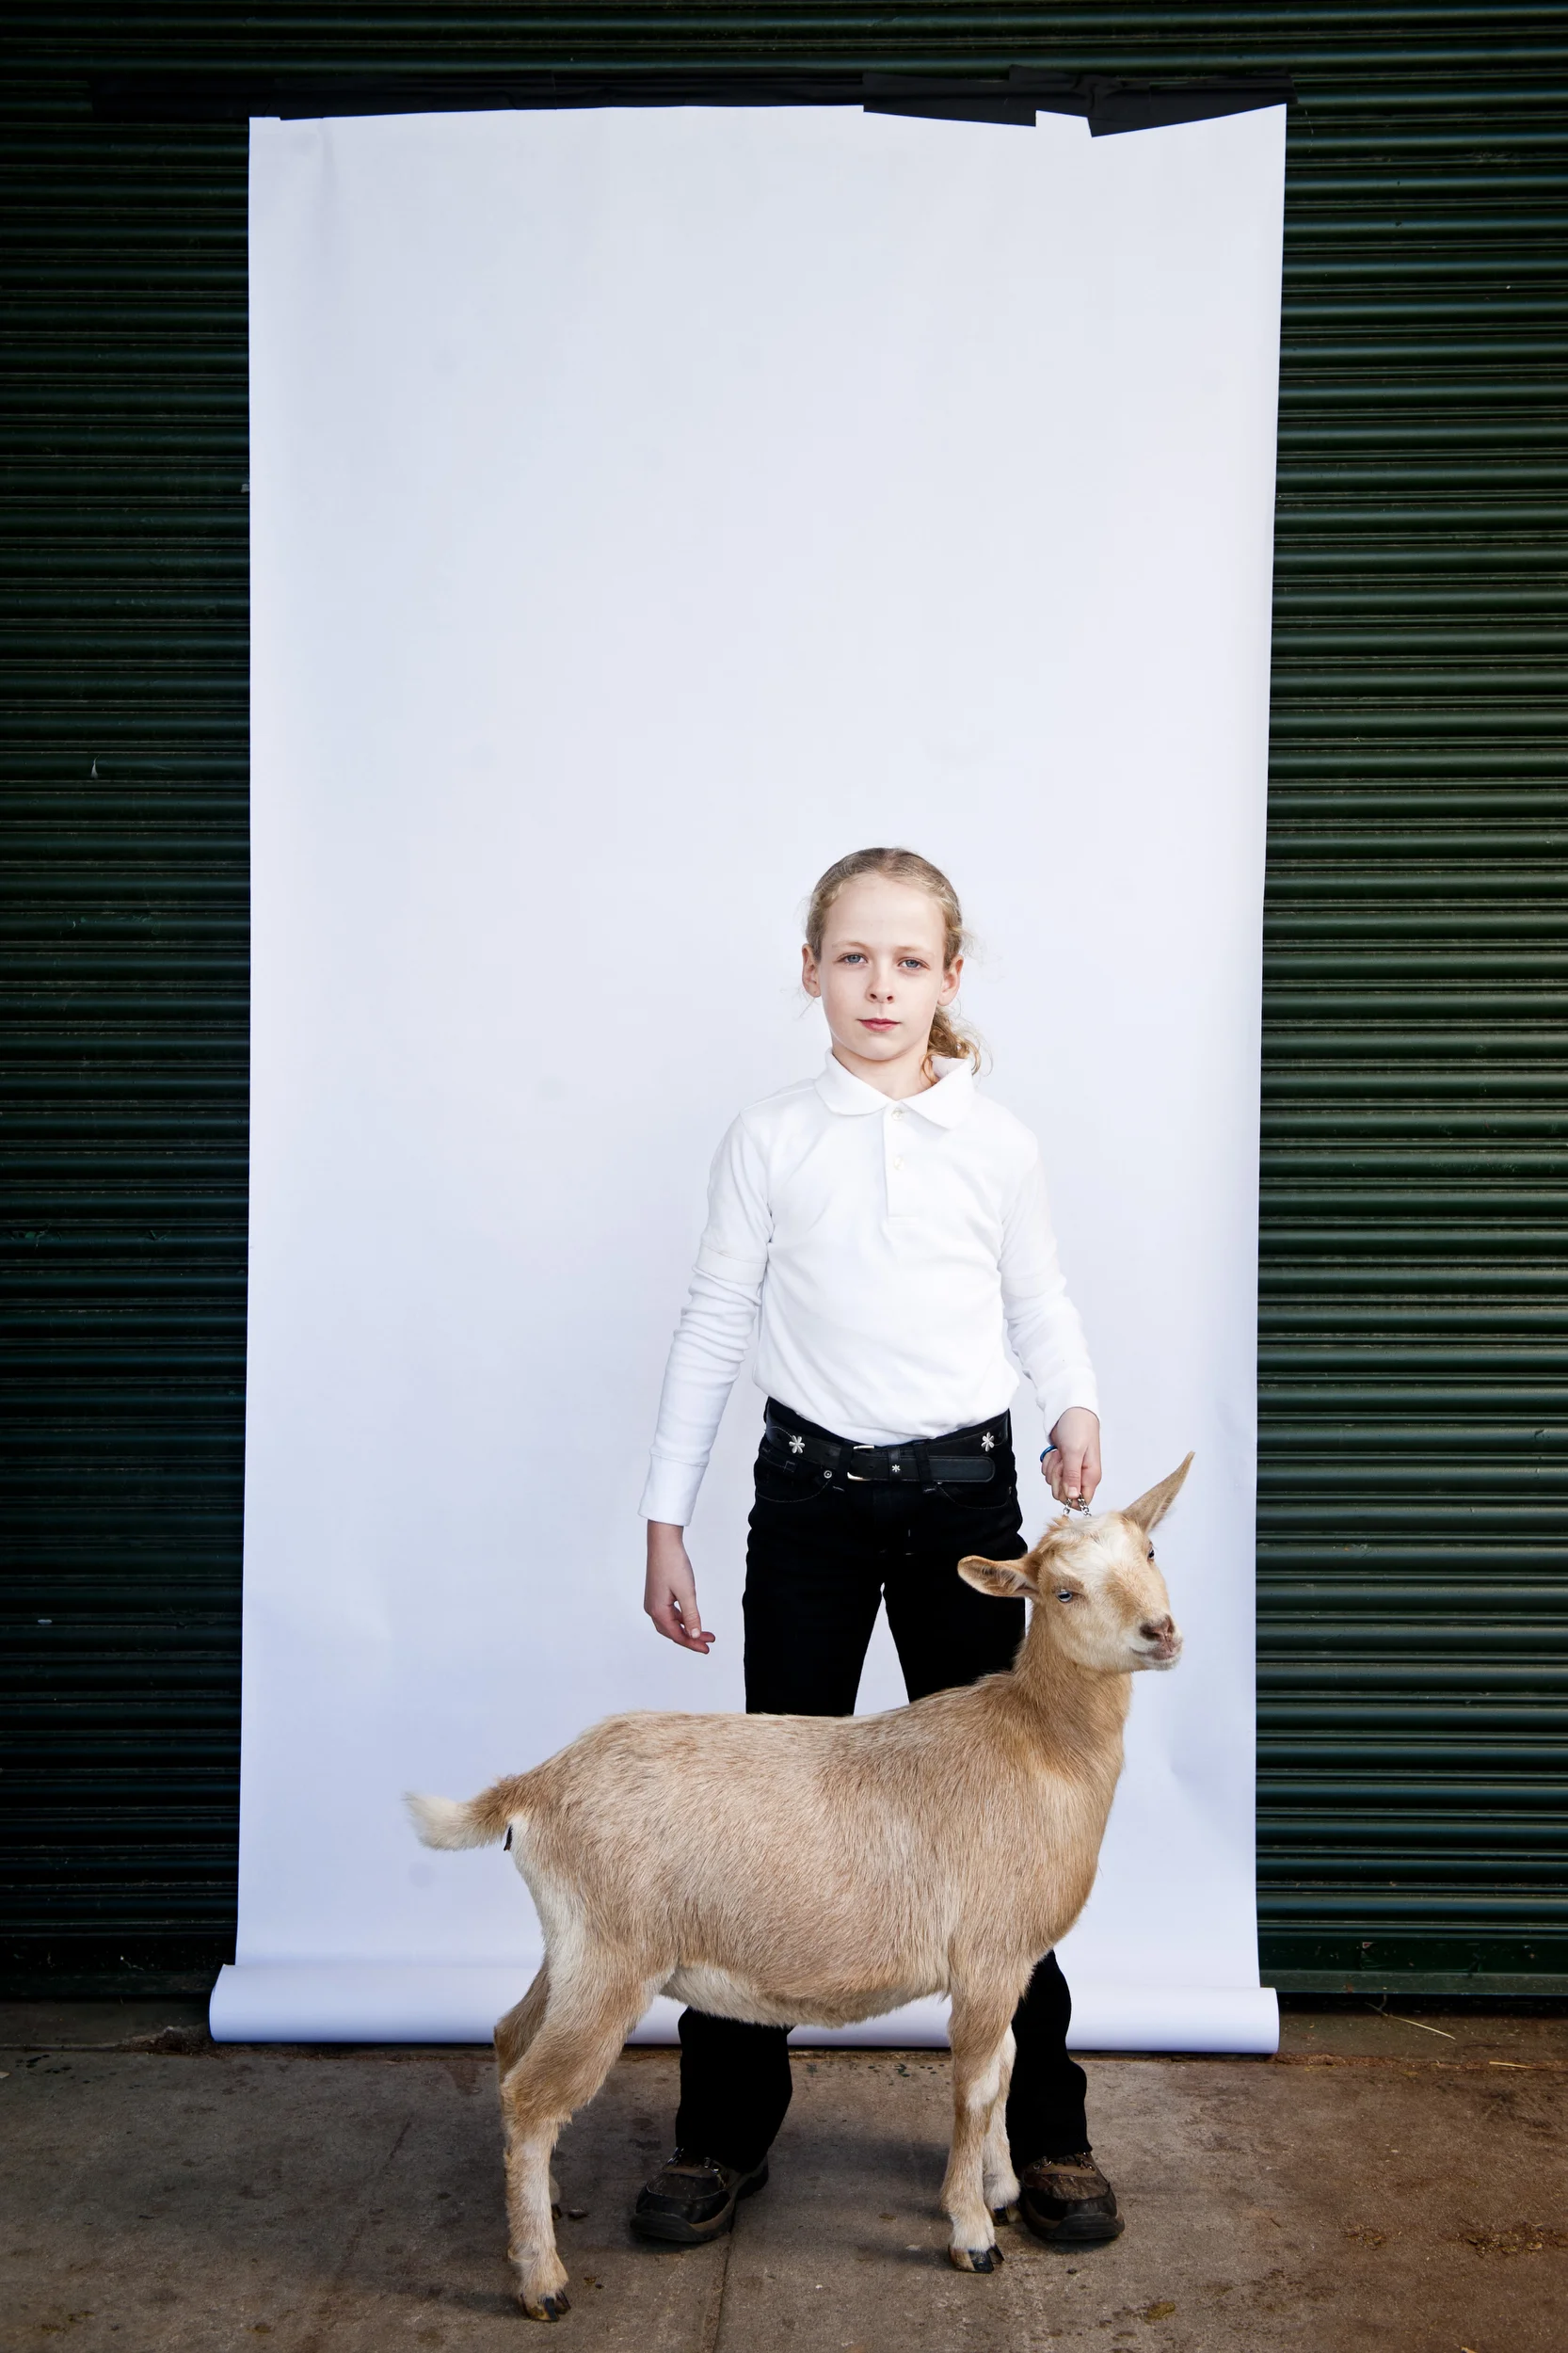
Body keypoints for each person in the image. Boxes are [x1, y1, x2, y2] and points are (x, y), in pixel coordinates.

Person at [632, 845, 1121, 2253]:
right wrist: (664, 1516)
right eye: (852, 957)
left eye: (910, 960)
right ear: (809, 972)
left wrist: (1073, 1400)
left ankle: (1047, 2132)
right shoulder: (771, 1136)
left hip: (969, 1511)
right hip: (807, 1508)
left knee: (1007, 1831)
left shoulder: (998, 1139)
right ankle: (723, 2133)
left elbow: (1040, 1297)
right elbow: (714, 1323)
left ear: (949, 978)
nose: (879, 985)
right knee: (765, 1823)